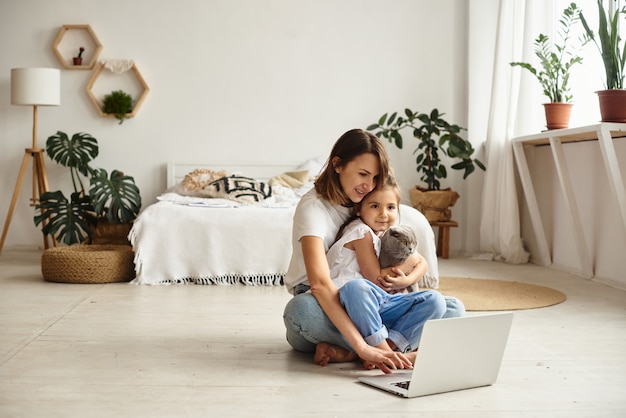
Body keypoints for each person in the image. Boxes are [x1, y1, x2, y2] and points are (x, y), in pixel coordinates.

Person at [282, 129, 465, 373]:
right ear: (337, 165)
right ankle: (386, 351)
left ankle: (351, 351)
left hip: (372, 301)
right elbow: (320, 285)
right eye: (362, 174)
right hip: (324, 301)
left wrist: (403, 277)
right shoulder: (313, 208)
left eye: (375, 177)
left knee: (452, 308)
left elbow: (399, 260)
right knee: (300, 311)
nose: (368, 186)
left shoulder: (366, 201)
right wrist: (365, 347)